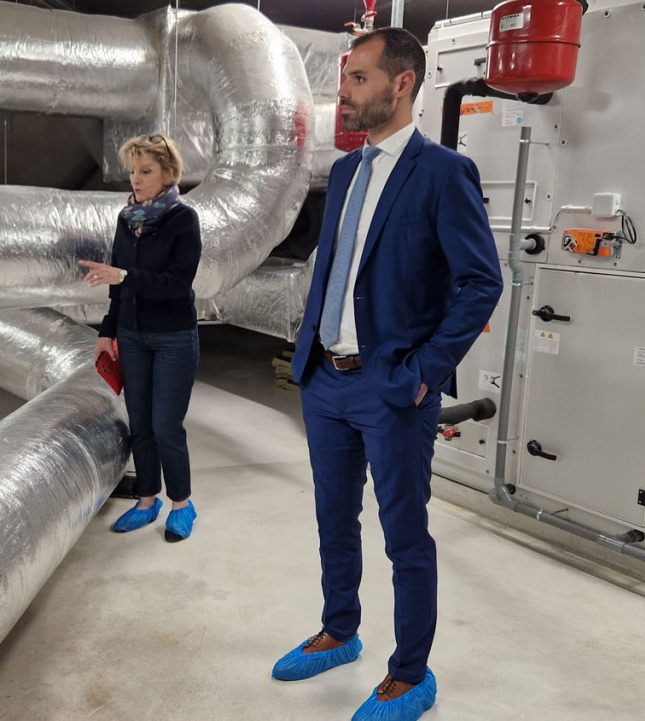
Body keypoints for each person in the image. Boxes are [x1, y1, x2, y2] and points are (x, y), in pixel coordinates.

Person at [271, 28, 503, 721]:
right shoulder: (346, 171)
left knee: (405, 535)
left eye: (359, 78)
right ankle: (339, 629)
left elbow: (481, 282)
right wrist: (311, 348)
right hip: (326, 379)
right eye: (345, 78)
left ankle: (409, 673)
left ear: (402, 84)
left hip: (393, 385)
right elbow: (337, 274)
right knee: (333, 517)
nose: (343, 92)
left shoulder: (443, 173)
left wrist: (426, 370)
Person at [79, 133, 203, 542]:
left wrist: (125, 275)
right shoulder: (126, 219)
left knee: (167, 426)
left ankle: (181, 504)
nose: (136, 178)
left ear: (168, 173)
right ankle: (147, 499)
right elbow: (119, 288)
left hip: (173, 338)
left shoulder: (182, 219)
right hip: (132, 336)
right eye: (133, 171)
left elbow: (176, 282)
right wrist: (107, 331)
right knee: (142, 424)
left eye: (146, 171)